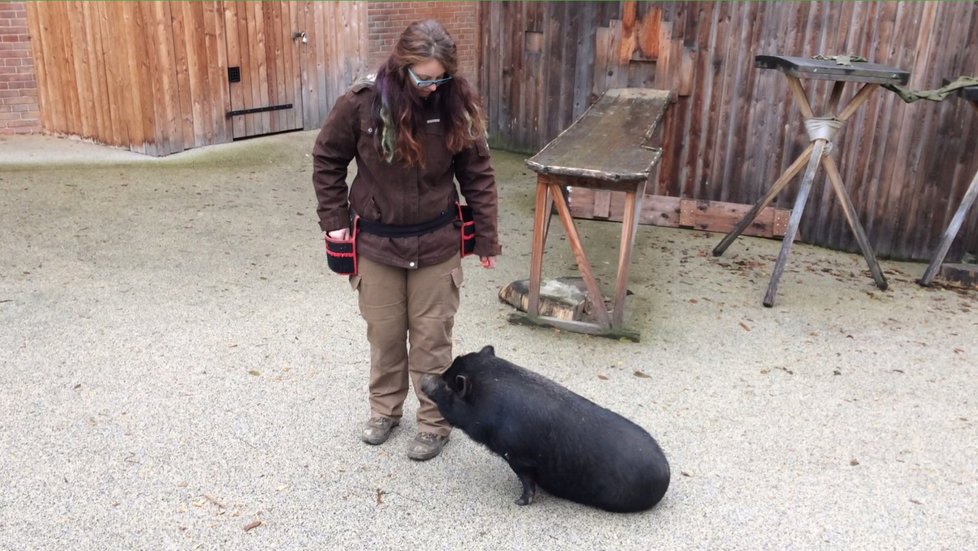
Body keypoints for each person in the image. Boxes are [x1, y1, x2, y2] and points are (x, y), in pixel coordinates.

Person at [312, 20, 501, 461]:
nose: (432, 86)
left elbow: (478, 173)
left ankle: (435, 423)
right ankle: (385, 412)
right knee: (386, 335)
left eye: (440, 77)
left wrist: (487, 238)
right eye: (423, 77)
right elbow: (327, 157)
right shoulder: (361, 103)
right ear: (401, 66)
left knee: (433, 339)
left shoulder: (458, 104)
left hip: (437, 244)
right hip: (376, 246)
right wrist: (334, 219)